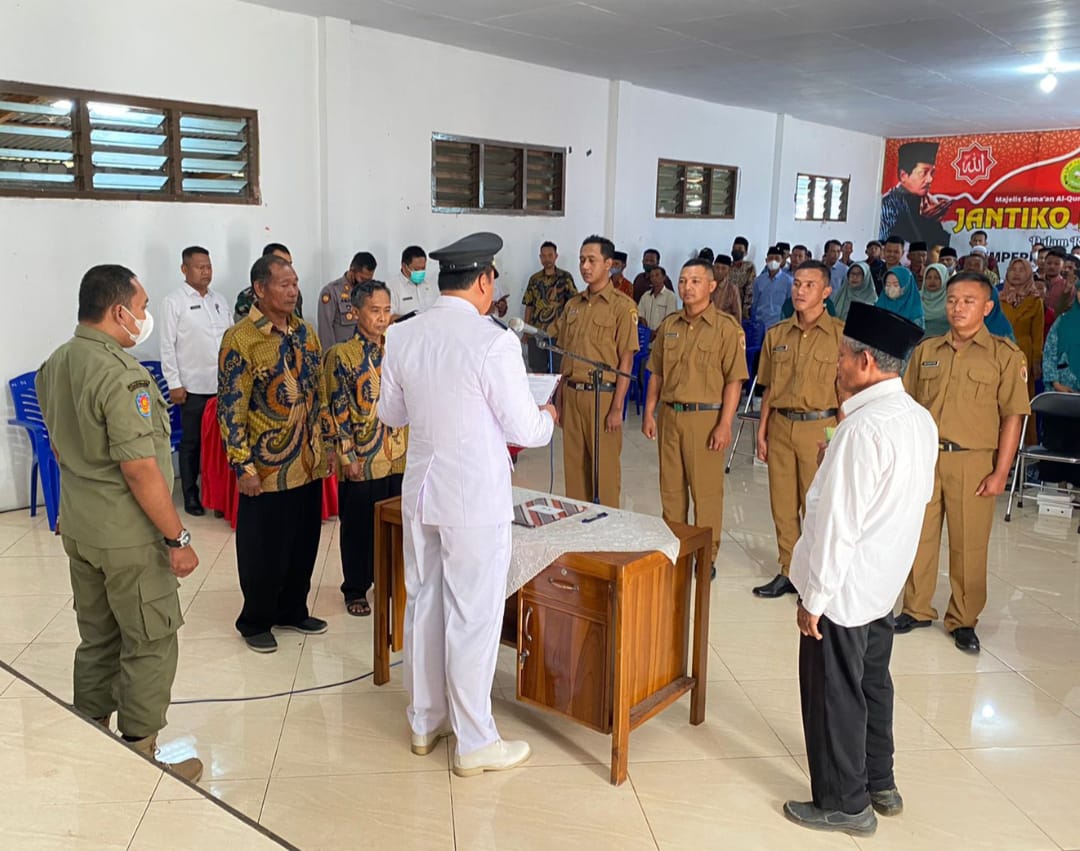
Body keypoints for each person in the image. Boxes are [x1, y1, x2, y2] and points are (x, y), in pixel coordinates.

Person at [377, 231, 556, 777]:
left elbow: (391, 415)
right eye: (492, 280)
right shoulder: (492, 341)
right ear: (483, 281)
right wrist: (548, 417)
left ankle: (425, 721)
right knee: (473, 613)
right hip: (473, 496)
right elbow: (523, 427)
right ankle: (475, 740)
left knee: (425, 601)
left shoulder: (402, 334)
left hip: (422, 491)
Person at [36, 264, 203, 782]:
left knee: (98, 638)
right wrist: (177, 537)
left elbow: (59, 447)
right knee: (150, 638)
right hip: (129, 538)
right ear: (118, 311)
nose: (145, 316)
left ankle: (92, 738)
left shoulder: (55, 364)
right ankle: (139, 752)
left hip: (81, 528)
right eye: (142, 307)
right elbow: (139, 469)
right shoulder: (121, 375)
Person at [783, 302, 935, 838]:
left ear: (866, 362)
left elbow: (838, 526)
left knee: (834, 694)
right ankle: (879, 782)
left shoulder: (861, 431)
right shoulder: (918, 419)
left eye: (842, 357)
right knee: (872, 684)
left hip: (844, 589)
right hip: (883, 582)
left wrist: (814, 599)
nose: (837, 365)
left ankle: (845, 804)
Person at [896, 272, 1029, 652]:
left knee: (968, 544)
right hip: (926, 457)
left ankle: (964, 619)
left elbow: (1013, 417)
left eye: (969, 301)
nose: (958, 308)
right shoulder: (927, 350)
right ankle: (916, 608)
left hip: (973, 462)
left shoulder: (1004, 355)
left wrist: (1001, 472)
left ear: (987, 307)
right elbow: (905, 406)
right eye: (953, 300)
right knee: (919, 536)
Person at [218, 254, 333, 653]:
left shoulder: (305, 332)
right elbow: (231, 408)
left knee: (303, 542)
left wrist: (326, 445)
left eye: (295, 283)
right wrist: (242, 465)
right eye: (284, 284)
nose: (293, 291)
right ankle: (255, 620)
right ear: (260, 289)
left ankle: (292, 609)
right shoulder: (241, 339)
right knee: (263, 549)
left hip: (307, 461)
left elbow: (319, 393)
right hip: (266, 468)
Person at [642, 259, 747, 577]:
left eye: (696, 281)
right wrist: (649, 411)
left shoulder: (726, 329)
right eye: (683, 281)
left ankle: (705, 556)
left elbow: (734, 381)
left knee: (706, 493)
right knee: (671, 490)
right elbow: (656, 373)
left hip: (706, 419)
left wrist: (725, 424)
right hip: (670, 416)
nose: (687, 287)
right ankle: (677, 549)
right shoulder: (670, 326)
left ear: (712, 286)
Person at [753, 260, 844, 598]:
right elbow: (768, 388)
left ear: (826, 291)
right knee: (782, 503)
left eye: (809, 285)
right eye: (797, 284)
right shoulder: (777, 334)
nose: (800, 291)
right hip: (781, 425)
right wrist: (762, 431)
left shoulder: (840, 335)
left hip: (820, 428)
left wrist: (839, 439)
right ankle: (789, 570)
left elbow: (846, 394)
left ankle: (818, 577)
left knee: (817, 507)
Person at [324, 280, 407, 617]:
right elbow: (337, 408)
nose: (382, 318)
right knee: (358, 527)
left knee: (396, 525)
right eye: (375, 311)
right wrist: (347, 455)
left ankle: (391, 582)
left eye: (386, 310)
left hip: (399, 454)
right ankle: (356, 588)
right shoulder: (341, 355)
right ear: (355, 312)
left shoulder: (398, 350)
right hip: (362, 456)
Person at [554, 235, 639, 507]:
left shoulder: (623, 307)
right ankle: (579, 526)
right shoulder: (573, 306)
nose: (585, 266)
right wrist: (559, 399)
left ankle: (606, 529)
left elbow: (626, 361)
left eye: (592, 260)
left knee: (604, 473)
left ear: (609, 264)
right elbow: (566, 356)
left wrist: (617, 408)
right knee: (574, 470)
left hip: (602, 397)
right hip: (573, 394)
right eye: (582, 260)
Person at [159, 245, 232, 517]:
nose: (206, 272)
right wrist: (174, 383)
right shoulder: (173, 302)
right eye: (200, 267)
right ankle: (191, 494)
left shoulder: (219, 300)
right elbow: (167, 346)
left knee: (222, 445)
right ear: (184, 269)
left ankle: (219, 497)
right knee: (192, 444)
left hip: (223, 387)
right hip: (192, 387)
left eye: (209, 266)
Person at [1000, 258, 1044, 441]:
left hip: (1024, 353)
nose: (1016, 273)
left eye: (1021, 270)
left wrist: (1036, 361)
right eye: (1013, 269)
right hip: (1000, 352)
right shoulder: (999, 299)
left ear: (1029, 274)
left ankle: (1024, 442)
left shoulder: (1035, 301)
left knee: (1022, 400)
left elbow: (1038, 334)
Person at [1041, 281, 1080, 485]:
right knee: (1058, 440)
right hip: (1061, 394)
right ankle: (1058, 486)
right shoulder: (1063, 321)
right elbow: (1049, 352)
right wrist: (1055, 383)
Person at [879, 141, 951, 246]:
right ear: (903, 175)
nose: (930, 179)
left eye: (932, 173)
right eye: (923, 173)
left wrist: (933, 222)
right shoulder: (889, 204)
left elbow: (938, 246)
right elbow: (886, 245)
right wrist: (925, 221)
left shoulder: (929, 202)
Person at [522, 240, 578, 373]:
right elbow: (529, 305)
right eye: (544, 256)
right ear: (540, 257)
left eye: (550, 255)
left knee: (558, 370)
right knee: (537, 370)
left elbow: (574, 304)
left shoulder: (565, 278)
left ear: (556, 256)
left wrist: (571, 331)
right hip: (536, 333)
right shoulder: (534, 279)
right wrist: (526, 331)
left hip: (558, 333)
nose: (547, 259)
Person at [316, 251, 377, 352]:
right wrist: (330, 357)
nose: (365, 283)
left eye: (369, 280)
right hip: (343, 355)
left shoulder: (369, 292)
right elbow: (325, 331)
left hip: (366, 354)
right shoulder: (331, 291)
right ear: (352, 270)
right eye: (362, 279)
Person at [235, 243, 303, 321]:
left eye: (289, 264)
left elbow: (298, 322)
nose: (287, 268)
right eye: (281, 263)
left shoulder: (295, 292)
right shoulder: (246, 297)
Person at [387, 245, 437, 319]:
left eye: (423, 268)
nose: (420, 272)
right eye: (416, 269)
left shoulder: (431, 284)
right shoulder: (390, 287)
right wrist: (413, 321)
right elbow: (389, 317)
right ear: (404, 266)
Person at [751, 246, 793, 329]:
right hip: (761, 323)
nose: (773, 261)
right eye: (770, 258)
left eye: (777, 259)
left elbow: (790, 305)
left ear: (782, 261)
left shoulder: (789, 281)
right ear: (766, 260)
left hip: (780, 324)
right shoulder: (758, 280)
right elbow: (754, 303)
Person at [638, 265, 679, 338]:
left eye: (657, 275)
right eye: (652, 276)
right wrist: (647, 332)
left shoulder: (670, 296)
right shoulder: (646, 295)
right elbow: (641, 315)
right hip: (646, 337)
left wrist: (655, 333)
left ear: (664, 277)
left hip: (662, 337)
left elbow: (669, 319)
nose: (654, 278)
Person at [730, 236, 758, 319]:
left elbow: (750, 289)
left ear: (745, 252)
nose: (736, 251)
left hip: (740, 306)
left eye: (739, 249)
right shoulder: (727, 265)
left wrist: (745, 310)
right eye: (734, 248)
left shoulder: (749, 267)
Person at [920, 262, 950, 337]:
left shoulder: (951, 300)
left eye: (937, 278)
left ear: (944, 279)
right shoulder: (916, 297)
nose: (932, 281)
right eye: (929, 277)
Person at [711, 253, 742, 321]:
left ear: (729, 270)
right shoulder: (707, 285)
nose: (719, 271)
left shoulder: (732, 289)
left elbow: (737, 315)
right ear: (713, 267)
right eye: (717, 267)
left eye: (723, 268)